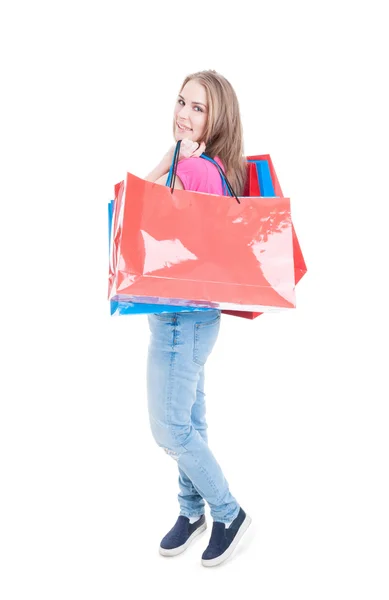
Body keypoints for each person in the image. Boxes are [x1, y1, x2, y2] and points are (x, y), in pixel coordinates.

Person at [144, 70, 251, 568]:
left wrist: (176, 163)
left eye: (198, 108)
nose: (183, 114)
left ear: (216, 119)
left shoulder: (200, 170)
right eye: (181, 102)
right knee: (190, 421)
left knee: (169, 427)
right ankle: (192, 509)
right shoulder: (190, 163)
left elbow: (135, 208)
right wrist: (172, 158)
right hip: (184, 317)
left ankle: (228, 512)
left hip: (182, 320)